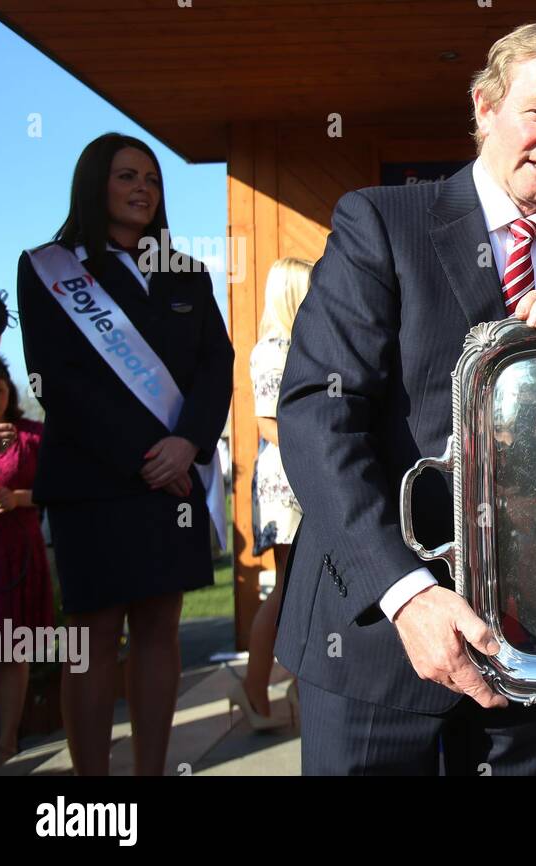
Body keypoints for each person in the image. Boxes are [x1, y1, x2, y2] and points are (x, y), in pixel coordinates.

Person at [275, 20, 536, 775]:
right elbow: (317, 416)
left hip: (530, 649)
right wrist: (407, 594)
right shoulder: (380, 223)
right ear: (485, 108)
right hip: (372, 631)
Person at [17, 133, 234, 776]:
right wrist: (149, 455)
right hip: (96, 481)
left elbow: (214, 369)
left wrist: (187, 443)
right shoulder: (48, 268)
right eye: (126, 177)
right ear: (94, 185)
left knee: (160, 631)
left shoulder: (187, 273)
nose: (142, 188)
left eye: (152, 179)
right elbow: (55, 381)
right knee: (92, 641)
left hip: (172, 484)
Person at [230, 257, 314, 730]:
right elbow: (268, 422)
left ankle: (294, 685)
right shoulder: (272, 349)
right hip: (287, 479)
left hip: (300, 472)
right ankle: (254, 688)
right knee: (286, 588)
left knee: (300, 588)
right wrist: (317, 456)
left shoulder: (301, 344)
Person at [0, 357, 53, 766]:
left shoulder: (32, 436)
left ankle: (7, 744)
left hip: (17, 556)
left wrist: (19, 498)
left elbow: (54, 487)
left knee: (13, 649)